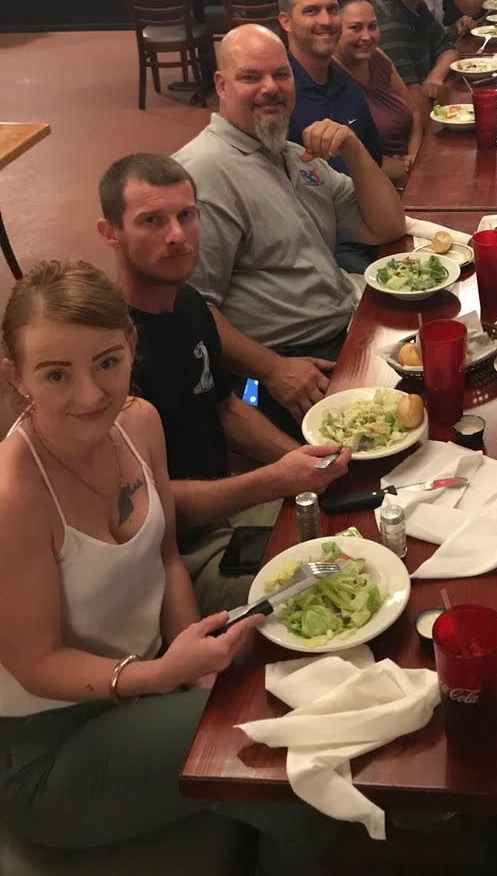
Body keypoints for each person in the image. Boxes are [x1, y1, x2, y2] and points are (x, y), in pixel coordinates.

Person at [0, 260, 334, 871]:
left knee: (316, 648)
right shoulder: (14, 495)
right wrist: (164, 676)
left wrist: (190, 659)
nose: (90, 394)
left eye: (107, 362)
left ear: (131, 345)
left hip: (149, 678)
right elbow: (34, 662)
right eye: (56, 374)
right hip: (53, 744)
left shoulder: (138, 423)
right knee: (284, 740)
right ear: (17, 378)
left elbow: (166, 557)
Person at [96, 154, 350, 614]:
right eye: (151, 221)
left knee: (357, 528)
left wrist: (300, 460)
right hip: (177, 556)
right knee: (337, 589)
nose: (177, 236)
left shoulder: (190, 303)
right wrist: (275, 479)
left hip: (230, 507)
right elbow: (150, 507)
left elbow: (226, 408)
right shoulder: (108, 355)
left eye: (186, 215)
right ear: (110, 232)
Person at [173, 24, 405, 438]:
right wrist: (274, 370)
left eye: (281, 75)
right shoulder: (204, 173)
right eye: (251, 77)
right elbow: (189, 308)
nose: (271, 88)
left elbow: (386, 225)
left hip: (349, 327)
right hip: (295, 368)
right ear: (221, 85)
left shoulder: (295, 155)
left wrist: (353, 149)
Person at [276, 0, 382, 175]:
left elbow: (373, 161)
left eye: (332, 10)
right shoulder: (276, 96)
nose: (326, 20)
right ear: (286, 21)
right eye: (312, 11)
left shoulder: (348, 87)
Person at [334, 0, 424, 188]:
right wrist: (402, 171)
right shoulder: (330, 76)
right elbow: (345, 161)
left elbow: (415, 113)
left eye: (372, 26)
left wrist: (414, 157)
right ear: (334, 29)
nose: (367, 36)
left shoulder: (378, 58)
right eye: (355, 28)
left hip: (414, 171)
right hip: (377, 188)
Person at [371, 0, 458, 109]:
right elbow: (411, 98)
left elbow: (449, 49)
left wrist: (435, 76)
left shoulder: (417, 7)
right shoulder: (386, 18)